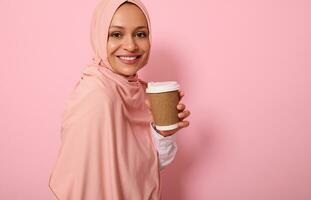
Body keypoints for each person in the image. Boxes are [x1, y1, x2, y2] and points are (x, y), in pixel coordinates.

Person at [48, 0, 191, 199]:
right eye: (116, 34)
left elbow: (146, 170)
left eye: (140, 34)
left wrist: (163, 132)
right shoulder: (96, 96)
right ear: (99, 37)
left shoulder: (139, 91)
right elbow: (86, 184)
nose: (131, 45)